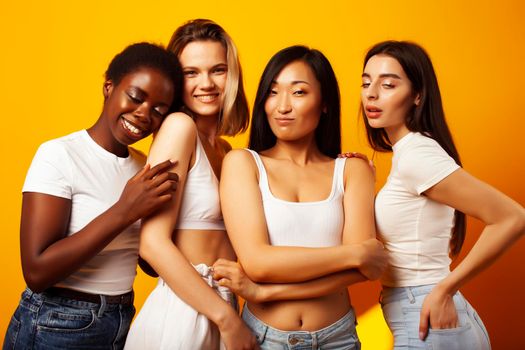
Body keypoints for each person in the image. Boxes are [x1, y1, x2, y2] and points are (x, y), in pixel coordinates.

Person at [2, 42, 182, 350]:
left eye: (158, 110)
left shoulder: (144, 166)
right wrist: (125, 210)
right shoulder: (59, 155)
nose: (142, 114)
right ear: (109, 87)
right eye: (136, 97)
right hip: (56, 323)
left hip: (122, 320)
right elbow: (36, 271)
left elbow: (148, 259)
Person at [216, 45, 387, 349]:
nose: (282, 106)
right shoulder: (243, 163)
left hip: (339, 339)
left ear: (324, 103)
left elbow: (366, 269)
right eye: (272, 92)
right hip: (264, 339)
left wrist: (264, 292)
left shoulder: (353, 170)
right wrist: (352, 253)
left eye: (298, 92)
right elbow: (258, 262)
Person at [357, 40, 525, 349]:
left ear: (417, 95)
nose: (371, 93)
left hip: (427, 314)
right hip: (419, 311)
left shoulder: (417, 154)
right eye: (366, 83)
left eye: (388, 84)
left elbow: (512, 218)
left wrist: (445, 289)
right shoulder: (408, 153)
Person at [124, 19, 256, 350]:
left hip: (221, 306)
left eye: (218, 70)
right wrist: (225, 319)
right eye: (191, 73)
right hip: (186, 312)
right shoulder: (179, 128)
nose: (207, 83)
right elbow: (151, 243)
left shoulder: (227, 151)